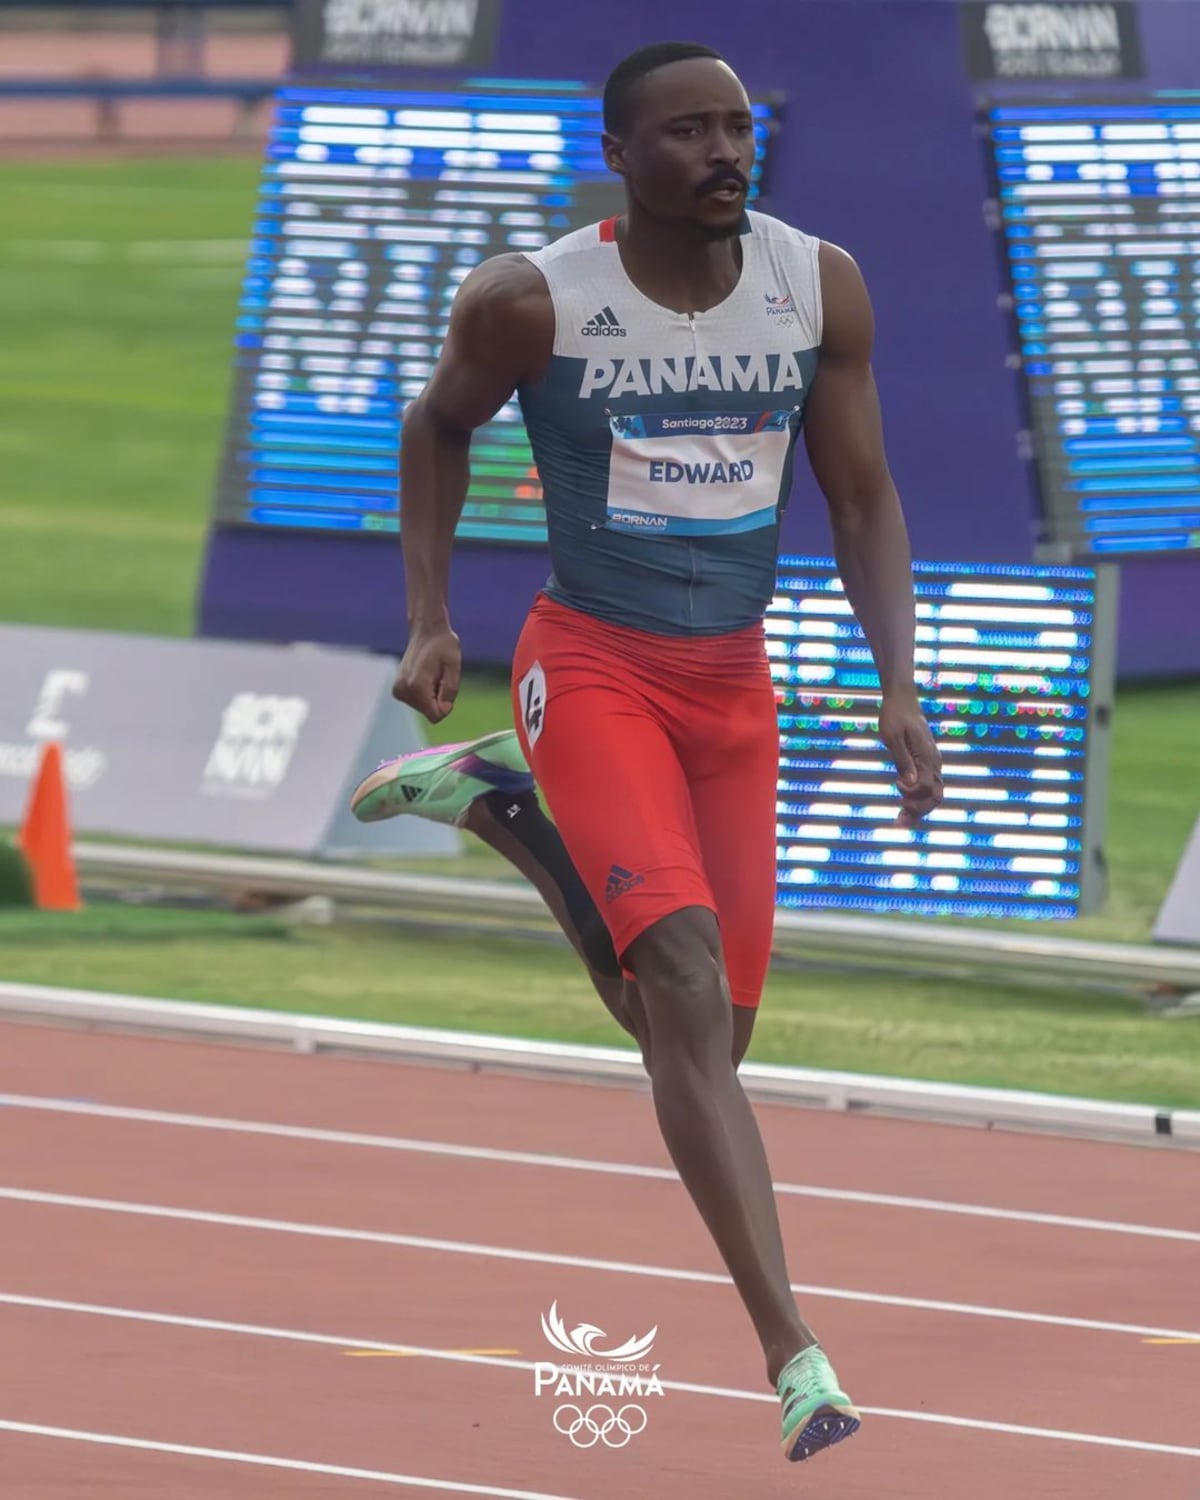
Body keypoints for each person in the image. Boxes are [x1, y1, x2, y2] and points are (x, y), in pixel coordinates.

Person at [351, 40, 944, 1465]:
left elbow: (862, 497)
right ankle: (794, 1352)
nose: (725, 153)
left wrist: (901, 682)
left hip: (732, 688)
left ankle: (511, 811)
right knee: (676, 979)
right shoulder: (532, 301)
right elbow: (435, 430)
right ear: (622, 154)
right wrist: (432, 617)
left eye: (738, 129)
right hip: (596, 663)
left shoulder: (820, 286)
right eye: (689, 133)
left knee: (708, 1041)